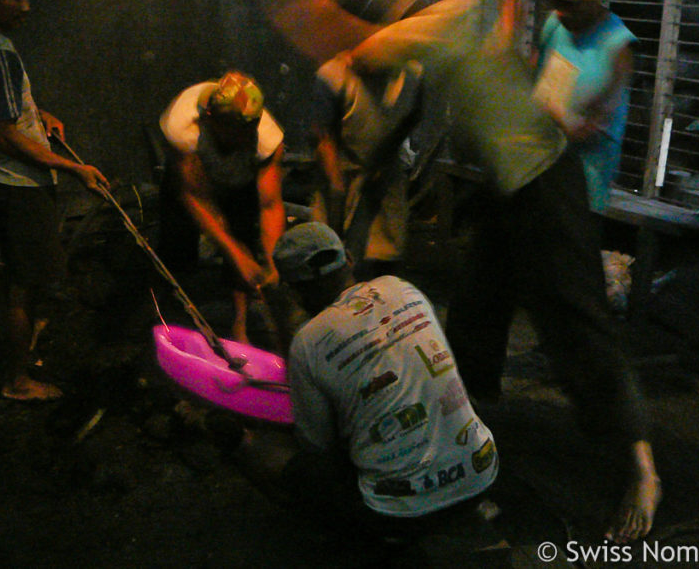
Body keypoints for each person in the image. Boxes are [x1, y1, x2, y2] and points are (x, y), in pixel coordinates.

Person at [312, 0, 661, 542]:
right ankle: (471, 437)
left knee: (578, 324)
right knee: (476, 308)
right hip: (507, 184)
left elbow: (361, 52)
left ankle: (642, 471)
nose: (560, 8)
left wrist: (292, 0)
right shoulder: (472, 11)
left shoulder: (439, 23)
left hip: (548, 184)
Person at [214, 222, 499, 540]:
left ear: (294, 289)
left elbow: (317, 445)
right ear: (348, 258)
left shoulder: (308, 342)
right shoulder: (402, 288)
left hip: (397, 515)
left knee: (290, 462)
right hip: (481, 478)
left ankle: (235, 442)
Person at [243, 0, 461, 276]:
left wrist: (381, 163)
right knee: (331, 259)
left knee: (380, 257)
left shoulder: (404, 63)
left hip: (384, 174)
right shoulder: (336, 70)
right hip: (344, 173)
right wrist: (338, 190)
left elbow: (413, 113)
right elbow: (321, 136)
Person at [0, 0, 109, 401]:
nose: (26, 7)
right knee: (25, 286)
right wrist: (71, 166)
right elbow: (5, 136)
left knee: (31, 276)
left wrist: (37, 115)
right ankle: (18, 381)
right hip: (17, 184)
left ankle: (25, 355)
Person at [157, 72, 285, 343]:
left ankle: (239, 326)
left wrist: (274, 264)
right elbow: (195, 197)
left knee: (244, 232)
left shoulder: (266, 140)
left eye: (248, 129)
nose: (245, 135)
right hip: (196, 176)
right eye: (235, 130)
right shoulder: (184, 129)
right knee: (177, 238)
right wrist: (232, 251)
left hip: (239, 175)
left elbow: (270, 205)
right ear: (211, 119)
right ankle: (170, 315)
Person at [533, 0, 636, 211]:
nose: (560, 12)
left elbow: (590, 128)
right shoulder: (555, 25)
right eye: (555, 2)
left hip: (583, 191)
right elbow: (538, 80)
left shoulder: (618, 49)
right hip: (541, 175)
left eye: (570, 3)